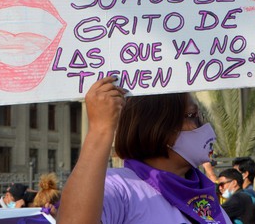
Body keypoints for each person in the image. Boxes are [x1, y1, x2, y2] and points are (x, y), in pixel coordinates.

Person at [57, 76, 231, 223]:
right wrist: (100, 129)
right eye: (192, 116)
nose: (203, 125)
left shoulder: (204, 194)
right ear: (159, 127)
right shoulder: (119, 187)